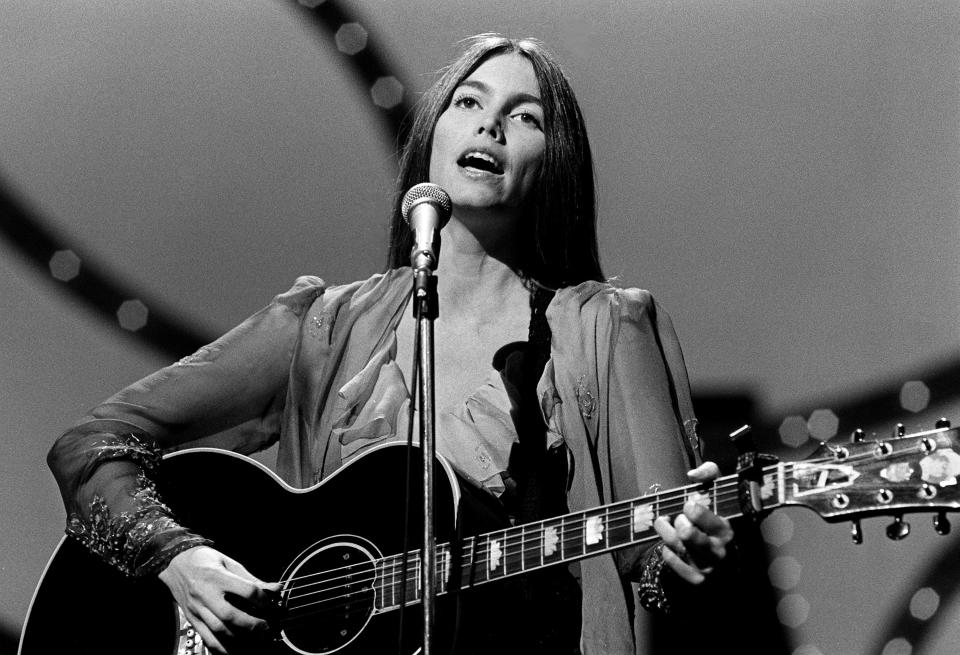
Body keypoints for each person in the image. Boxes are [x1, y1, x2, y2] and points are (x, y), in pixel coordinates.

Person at [48, 34, 734, 654]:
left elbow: (660, 562)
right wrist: (180, 558)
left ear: (555, 164)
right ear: (431, 138)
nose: (490, 124)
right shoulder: (323, 326)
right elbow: (90, 444)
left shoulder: (609, 329)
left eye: (527, 116)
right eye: (469, 100)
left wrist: (683, 542)